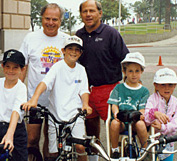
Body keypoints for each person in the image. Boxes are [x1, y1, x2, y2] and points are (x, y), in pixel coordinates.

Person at [22, 35, 92, 161]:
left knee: (80, 147)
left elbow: (84, 90)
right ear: (63, 51)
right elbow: (44, 83)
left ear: (80, 53)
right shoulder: (57, 67)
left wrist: (85, 105)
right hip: (56, 115)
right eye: (70, 48)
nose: (73, 52)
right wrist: (34, 99)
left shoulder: (81, 70)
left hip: (75, 114)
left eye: (77, 50)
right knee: (54, 152)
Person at [76, 1, 129, 160]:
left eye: (92, 11)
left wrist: (127, 87)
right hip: (86, 91)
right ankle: (94, 158)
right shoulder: (78, 36)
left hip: (109, 89)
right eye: (85, 11)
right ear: (81, 15)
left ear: (100, 13)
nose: (88, 14)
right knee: (91, 129)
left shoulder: (111, 33)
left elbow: (125, 60)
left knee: (117, 127)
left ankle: (120, 155)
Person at [19, 3, 69, 160]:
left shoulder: (67, 40)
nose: (51, 23)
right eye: (47, 18)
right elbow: (23, 66)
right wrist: (18, 93)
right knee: (32, 139)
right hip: (35, 101)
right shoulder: (31, 38)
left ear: (60, 21)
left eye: (55, 19)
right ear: (42, 18)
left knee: (51, 141)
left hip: (57, 101)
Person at [107, 52, 150, 158]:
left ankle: (145, 149)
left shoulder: (144, 91)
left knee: (140, 124)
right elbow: (114, 104)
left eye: (137, 71)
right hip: (121, 120)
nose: (134, 74)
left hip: (135, 120)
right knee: (114, 123)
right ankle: (115, 149)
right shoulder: (118, 88)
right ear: (124, 72)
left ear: (142, 72)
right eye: (130, 71)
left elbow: (142, 108)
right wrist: (116, 113)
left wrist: (141, 114)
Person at [0, 49, 27, 161]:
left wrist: (10, 135)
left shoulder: (21, 88)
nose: (11, 71)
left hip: (16, 129)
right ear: (2, 66)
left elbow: (16, 112)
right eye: (8, 66)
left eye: (15, 67)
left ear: (22, 69)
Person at [145, 68, 177, 161]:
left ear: (175, 86)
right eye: (163, 85)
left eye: (170, 85)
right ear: (156, 85)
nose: (167, 88)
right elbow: (146, 119)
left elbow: (175, 124)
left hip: (168, 141)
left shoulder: (175, 102)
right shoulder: (152, 99)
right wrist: (154, 113)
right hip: (152, 141)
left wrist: (162, 127)